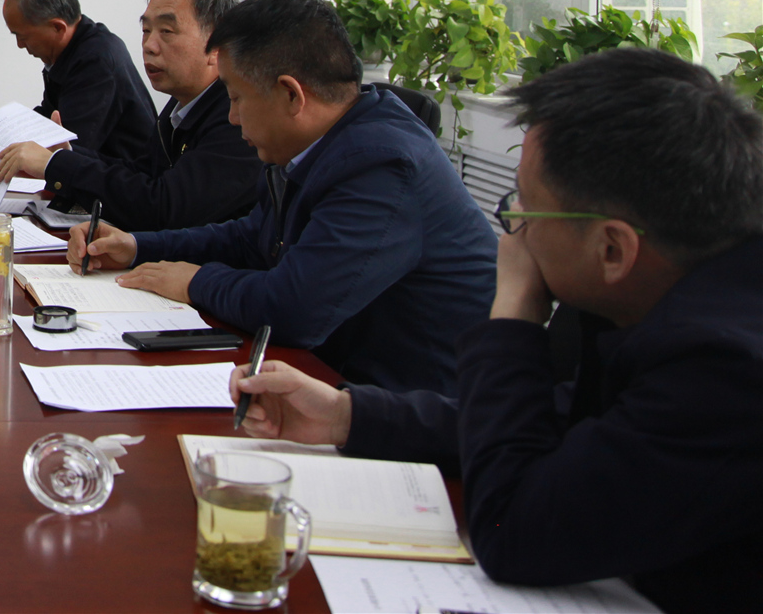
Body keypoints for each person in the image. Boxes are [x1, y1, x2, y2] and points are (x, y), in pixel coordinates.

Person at [231, 49, 763, 612]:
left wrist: (512, 310)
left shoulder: (727, 368)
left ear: (613, 249)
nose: (512, 231)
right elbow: (565, 425)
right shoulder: (679, 287)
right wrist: (347, 415)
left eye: (524, 209)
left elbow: (515, 531)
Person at [72, 0, 495, 393]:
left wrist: (196, 282)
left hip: (413, 406)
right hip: (336, 376)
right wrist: (137, 247)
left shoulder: (382, 164)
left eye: (236, 98)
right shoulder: (311, 144)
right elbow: (252, 238)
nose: (232, 117)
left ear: (291, 95)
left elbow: (295, 309)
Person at [0, 0, 262, 230]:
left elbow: (164, 209)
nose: (149, 46)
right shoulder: (180, 105)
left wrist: (57, 164)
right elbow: (142, 172)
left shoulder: (238, 116)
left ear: (216, 46)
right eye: (146, 30)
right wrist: (67, 156)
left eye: (166, 31)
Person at [0, 0, 160, 190]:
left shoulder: (96, 61)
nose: (20, 45)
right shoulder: (70, 53)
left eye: (22, 36)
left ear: (57, 27)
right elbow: (48, 119)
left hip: (126, 187)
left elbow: (66, 148)